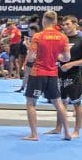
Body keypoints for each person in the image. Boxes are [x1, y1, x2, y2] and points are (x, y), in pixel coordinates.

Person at [23, 10, 72, 141]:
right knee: (58, 103)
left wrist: (29, 49)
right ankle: (67, 133)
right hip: (53, 73)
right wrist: (55, 57)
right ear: (55, 21)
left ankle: (34, 134)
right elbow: (67, 58)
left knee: (31, 103)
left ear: (44, 20)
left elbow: (31, 58)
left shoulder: (38, 36)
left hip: (37, 73)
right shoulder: (63, 37)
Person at [53, 15, 82, 139]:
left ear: (75, 24)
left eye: (68, 24)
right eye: (63, 25)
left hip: (74, 75)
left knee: (76, 102)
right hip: (59, 74)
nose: (65, 27)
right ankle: (58, 128)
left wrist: (71, 64)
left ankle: (77, 131)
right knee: (60, 102)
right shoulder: (61, 38)